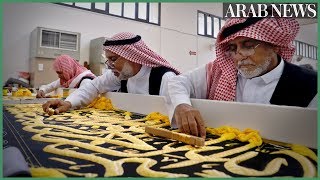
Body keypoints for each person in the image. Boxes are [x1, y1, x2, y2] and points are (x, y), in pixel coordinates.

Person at [166, 16, 317, 138]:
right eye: (233, 48)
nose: (239, 56)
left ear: (275, 46)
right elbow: (178, 82)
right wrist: (182, 104)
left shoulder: (310, 84)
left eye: (248, 45)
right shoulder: (219, 70)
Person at [42, 32, 180, 114]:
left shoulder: (164, 78)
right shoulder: (121, 74)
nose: (110, 66)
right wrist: (69, 102)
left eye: (113, 59)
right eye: (108, 60)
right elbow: (93, 86)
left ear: (132, 57)